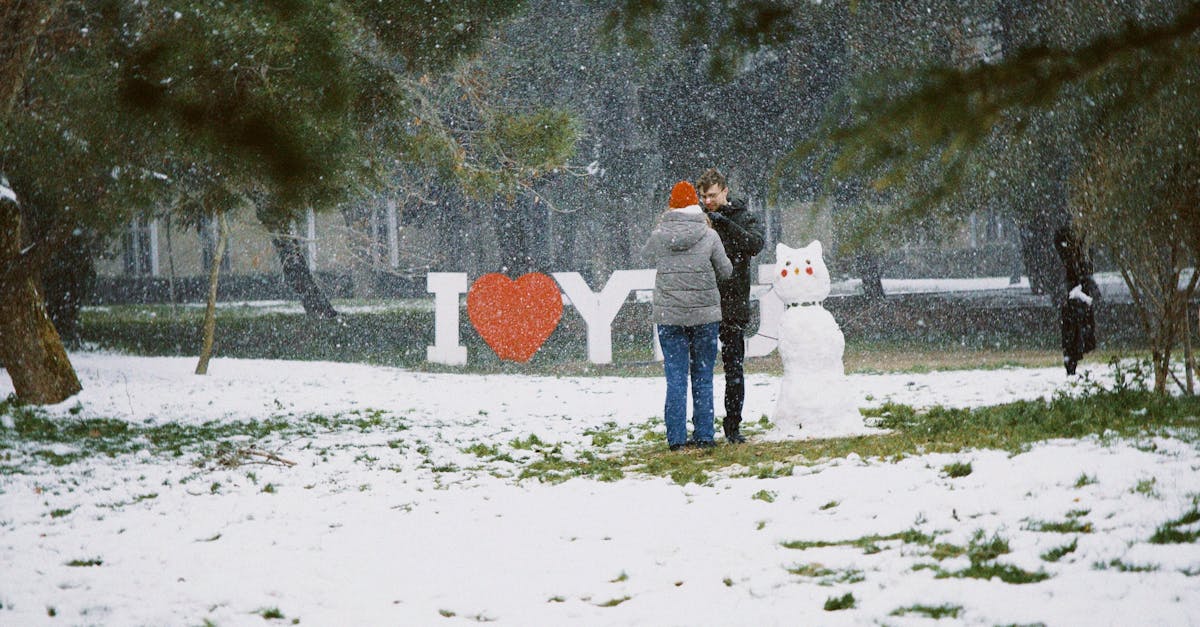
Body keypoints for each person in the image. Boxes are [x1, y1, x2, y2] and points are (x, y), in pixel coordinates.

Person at [641, 181, 733, 450]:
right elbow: (726, 271)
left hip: (669, 317)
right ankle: (705, 436)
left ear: (671, 206)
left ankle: (676, 440)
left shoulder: (660, 234)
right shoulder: (709, 235)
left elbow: (646, 255)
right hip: (705, 316)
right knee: (703, 376)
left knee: (676, 377)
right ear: (696, 204)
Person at [696, 168, 765, 443]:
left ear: (725, 191)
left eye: (712, 195)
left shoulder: (744, 216)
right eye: (704, 197)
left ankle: (733, 426)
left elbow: (754, 244)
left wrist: (722, 222)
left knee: (733, 369)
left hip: (733, 304)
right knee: (700, 368)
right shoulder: (700, 219)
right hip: (703, 302)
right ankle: (701, 426)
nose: (708, 201)